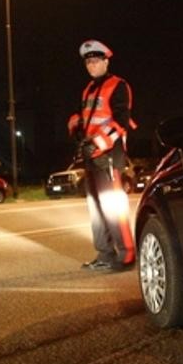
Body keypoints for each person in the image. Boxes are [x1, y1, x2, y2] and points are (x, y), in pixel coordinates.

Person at [68, 39, 138, 272]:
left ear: (106, 61)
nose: (91, 65)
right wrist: (76, 131)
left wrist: (97, 143)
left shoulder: (119, 85)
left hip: (108, 156)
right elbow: (81, 117)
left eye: (96, 60)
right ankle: (105, 254)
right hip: (90, 156)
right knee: (95, 208)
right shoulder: (87, 89)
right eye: (88, 61)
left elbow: (121, 122)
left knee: (112, 207)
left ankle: (126, 254)